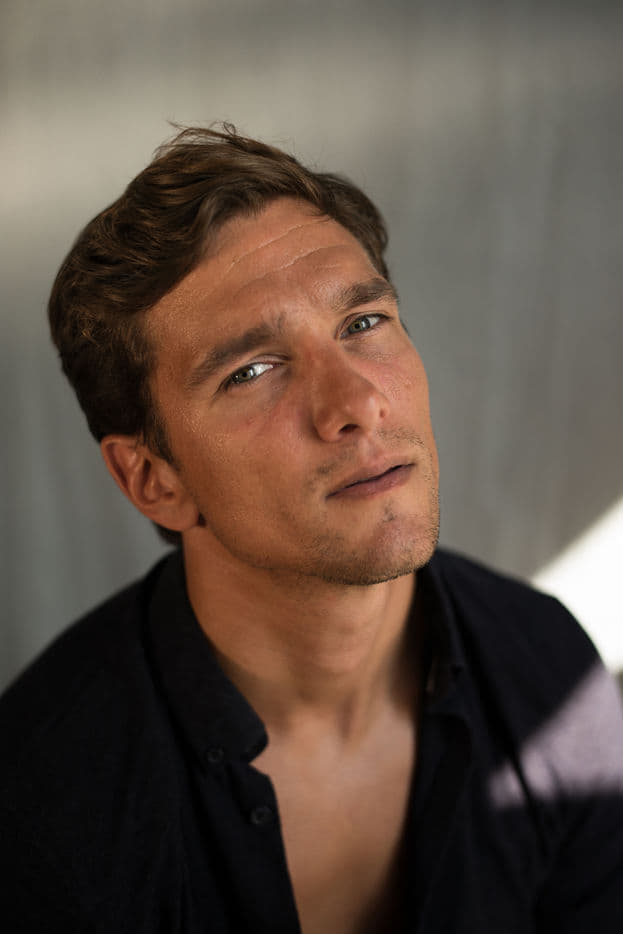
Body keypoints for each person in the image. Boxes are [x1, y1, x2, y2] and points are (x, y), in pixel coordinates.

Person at [1, 125, 622, 934]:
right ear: (154, 479)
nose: (356, 404)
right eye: (251, 371)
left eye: (361, 323)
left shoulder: (547, 673)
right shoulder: (42, 812)